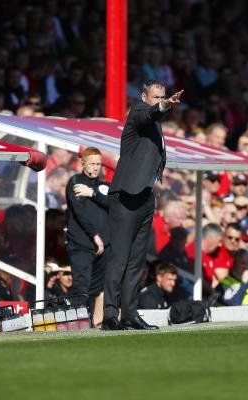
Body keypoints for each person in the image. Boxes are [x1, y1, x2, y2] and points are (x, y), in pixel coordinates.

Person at [101, 80, 183, 331]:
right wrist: (165, 106)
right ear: (145, 96)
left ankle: (130, 314)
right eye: (156, 97)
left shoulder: (154, 122)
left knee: (137, 262)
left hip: (145, 197)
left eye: (163, 97)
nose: (160, 100)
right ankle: (109, 316)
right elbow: (148, 114)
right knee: (120, 259)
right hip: (126, 196)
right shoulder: (139, 111)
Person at [65, 147, 109, 317]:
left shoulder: (103, 186)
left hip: (103, 246)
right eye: (92, 164)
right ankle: (77, 323)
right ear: (83, 163)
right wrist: (94, 234)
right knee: (81, 286)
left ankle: (90, 323)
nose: (96, 167)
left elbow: (114, 203)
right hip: (81, 243)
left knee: (96, 288)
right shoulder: (75, 181)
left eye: (99, 164)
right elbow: (79, 212)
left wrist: (93, 193)